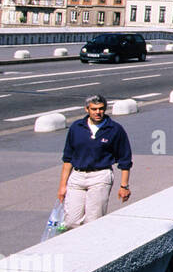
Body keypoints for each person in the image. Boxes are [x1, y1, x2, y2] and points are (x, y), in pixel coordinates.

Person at [57, 95, 133, 230]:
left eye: (101, 109)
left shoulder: (114, 129)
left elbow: (125, 159)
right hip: (77, 176)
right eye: (94, 109)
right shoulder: (76, 127)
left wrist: (124, 186)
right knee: (70, 221)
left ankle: (87, 249)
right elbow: (68, 158)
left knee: (93, 221)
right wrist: (63, 186)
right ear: (87, 109)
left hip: (100, 176)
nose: (98, 112)